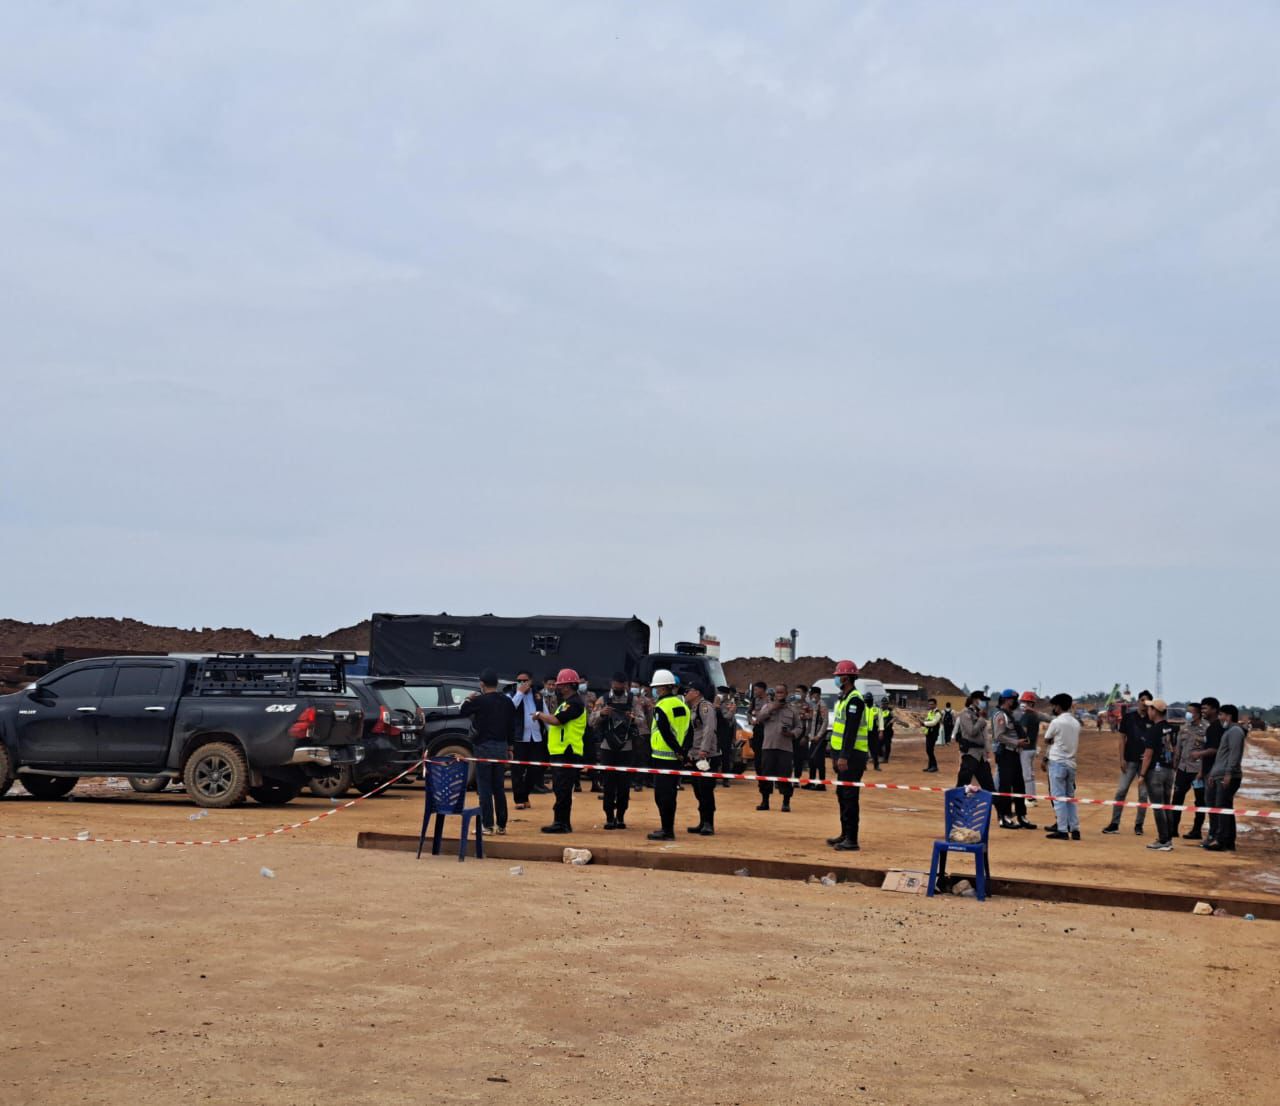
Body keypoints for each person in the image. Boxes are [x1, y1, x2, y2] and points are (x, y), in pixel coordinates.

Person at [460, 669, 518, 835]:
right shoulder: (507, 702)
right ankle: (502, 825)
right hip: (501, 747)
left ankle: (487, 825)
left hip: (483, 747)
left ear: (482, 684)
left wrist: (468, 698)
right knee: (499, 787)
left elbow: (463, 711)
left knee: (485, 787)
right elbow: (511, 727)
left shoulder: (480, 701)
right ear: (497, 683)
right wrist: (510, 748)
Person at [533, 668, 587, 834]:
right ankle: (562, 822)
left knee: (563, 788)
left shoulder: (574, 704)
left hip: (567, 751)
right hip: (561, 751)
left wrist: (539, 714)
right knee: (560, 788)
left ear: (567, 686)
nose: (557, 687)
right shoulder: (567, 703)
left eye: (560, 684)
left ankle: (561, 823)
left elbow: (556, 721)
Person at [825, 660, 869, 851]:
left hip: (853, 756)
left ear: (845, 677)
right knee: (842, 794)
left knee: (850, 796)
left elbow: (850, 732)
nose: (835, 679)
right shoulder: (844, 698)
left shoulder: (855, 700)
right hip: (843, 756)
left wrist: (843, 757)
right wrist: (836, 755)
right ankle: (845, 834)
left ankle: (852, 839)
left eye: (837, 676)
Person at [647, 670, 691, 841]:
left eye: (657, 688)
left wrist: (677, 751)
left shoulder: (661, 707)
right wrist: (683, 753)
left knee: (662, 796)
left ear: (663, 688)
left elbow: (666, 733)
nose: (656, 691)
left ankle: (667, 830)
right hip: (676, 759)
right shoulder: (683, 706)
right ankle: (667, 828)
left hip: (663, 758)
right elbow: (689, 732)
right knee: (670, 795)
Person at [1102, 691, 1152, 836]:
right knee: (1121, 791)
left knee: (1143, 795)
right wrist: (1121, 759)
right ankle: (1114, 823)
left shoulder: (1152, 719)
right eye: (1142, 700)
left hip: (1145, 764)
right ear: (1138, 701)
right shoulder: (1128, 718)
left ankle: (1138, 825)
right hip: (1129, 760)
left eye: (1147, 701)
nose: (1144, 703)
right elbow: (1121, 739)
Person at [591, 672, 636, 831]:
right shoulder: (603, 700)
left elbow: (644, 723)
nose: (618, 687)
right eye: (616, 684)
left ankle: (621, 815)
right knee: (608, 784)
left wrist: (634, 718)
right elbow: (591, 721)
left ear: (625, 684)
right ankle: (609, 816)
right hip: (607, 747)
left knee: (624, 785)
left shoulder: (633, 700)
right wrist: (601, 714)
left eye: (621, 685)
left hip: (626, 746)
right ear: (612, 683)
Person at [753, 683, 801, 812]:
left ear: (786, 694)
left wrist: (792, 733)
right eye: (777, 692)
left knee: (785, 775)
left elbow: (799, 727)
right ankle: (765, 801)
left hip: (785, 748)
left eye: (782, 692)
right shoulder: (767, 706)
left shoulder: (792, 710)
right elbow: (759, 719)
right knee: (765, 775)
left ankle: (786, 802)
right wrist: (772, 708)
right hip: (768, 747)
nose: (779, 695)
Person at [1138, 699, 1179, 852]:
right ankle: (1168, 838)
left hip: (1155, 772)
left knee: (1158, 806)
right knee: (1166, 805)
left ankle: (1163, 840)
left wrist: (1142, 774)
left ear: (1155, 711)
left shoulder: (1153, 730)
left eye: (1150, 709)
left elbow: (1148, 754)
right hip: (1169, 771)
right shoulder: (1172, 729)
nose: (1148, 711)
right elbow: (1175, 750)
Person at [1203, 705, 1245, 852]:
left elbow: (1234, 755)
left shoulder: (1235, 731)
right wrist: (1213, 774)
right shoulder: (1229, 731)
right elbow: (1222, 757)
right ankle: (1227, 841)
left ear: (1229, 716)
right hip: (1219, 775)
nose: (1220, 718)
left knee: (1223, 808)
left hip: (1228, 776)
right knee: (1224, 808)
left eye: (1221, 715)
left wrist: (1228, 774)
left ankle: (1222, 841)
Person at [992, 689, 1035, 830]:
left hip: (1015, 754)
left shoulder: (1011, 716)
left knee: (1019, 786)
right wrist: (1017, 742)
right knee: (1005, 787)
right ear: (1006, 700)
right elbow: (999, 736)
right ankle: (1004, 817)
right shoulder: (1000, 715)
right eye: (1013, 699)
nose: (1015, 702)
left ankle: (1022, 816)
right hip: (1005, 754)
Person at [1041, 693, 1081, 840]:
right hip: (1071, 763)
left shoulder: (1056, 722)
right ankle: (1075, 829)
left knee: (1058, 798)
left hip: (1057, 762)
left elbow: (1046, 739)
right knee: (1070, 798)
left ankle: (1062, 829)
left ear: (1058, 706)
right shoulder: (1076, 723)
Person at [509, 669, 549, 808]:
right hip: (520, 739)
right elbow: (510, 708)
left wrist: (550, 733)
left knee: (535, 769)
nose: (522, 683)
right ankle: (519, 800)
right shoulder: (513, 695)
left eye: (525, 681)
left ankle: (525, 794)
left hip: (536, 738)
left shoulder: (538, 695)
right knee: (518, 771)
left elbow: (545, 714)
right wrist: (520, 693)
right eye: (519, 681)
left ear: (531, 681)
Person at [1185, 697, 1223, 839]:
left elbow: (1214, 749)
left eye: (1205, 708)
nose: (1203, 711)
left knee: (1214, 806)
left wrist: (1198, 753)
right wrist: (1201, 771)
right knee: (1210, 805)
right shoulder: (1211, 727)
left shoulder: (1214, 728)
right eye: (1201, 709)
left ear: (1214, 709)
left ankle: (1215, 836)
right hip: (1207, 771)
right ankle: (1214, 835)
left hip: (1214, 772)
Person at [685, 685, 720, 835]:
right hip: (696, 754)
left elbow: (709, 728)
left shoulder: (705, 707)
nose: (685, 693)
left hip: (707, 755)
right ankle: (702, 821)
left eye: (688, 691)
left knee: (706, 789)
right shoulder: (693, 708)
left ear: (697, 692)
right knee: (698, 790)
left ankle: (708, 823)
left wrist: (704, 750)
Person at [1170, 702, 1207, 839]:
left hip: (1197, 771)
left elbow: (1207, 751)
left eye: (1191, 712)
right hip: (1183, 768)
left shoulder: (1206, 728)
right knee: (1177, 798)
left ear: (1198, 714)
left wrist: (1202, 771)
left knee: (1200, 801)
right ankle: (1173, 828)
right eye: (1188, 711)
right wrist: (1175, 760)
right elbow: (1178, 746)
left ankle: (1196, 831)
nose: (1188, 714)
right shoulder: (1184, 728)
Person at [955, 690, 995, 792]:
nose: (984, 704)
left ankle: (1001, 808)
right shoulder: (965, 714)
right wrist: (981, 719)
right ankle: (957, 806)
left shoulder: (977, 714)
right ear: (974, 700)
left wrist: (987, 750)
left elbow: (984, 736)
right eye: (982, 701)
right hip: (970, 754)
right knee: (962, 786)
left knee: (989, 787)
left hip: (981, 756)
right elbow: (972, 731)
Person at [1015, 691, 1048, 803]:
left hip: (1025, 749)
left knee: (1026, 775)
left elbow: (1023, 732)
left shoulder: (1026, 716)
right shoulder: (1035, 716)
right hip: (1033, 748)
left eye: (1024, 702)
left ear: (1029, 703)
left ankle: (1029, 799)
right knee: (1031, 774)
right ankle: (1033, 797)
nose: (1023, 704)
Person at [802, 686, 829, 789]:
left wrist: (818, 735)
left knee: (819, 761)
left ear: (816, 695)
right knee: (812, 760)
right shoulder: (815, 705)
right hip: (813, 738)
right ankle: (811, 782)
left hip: (819, 739)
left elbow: (825, 722)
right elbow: (813, 720)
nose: (809, 696)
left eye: (811, 694)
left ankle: (822, 784)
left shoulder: (822, 705)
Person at [631, 684, 654, 792]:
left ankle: (639, 782)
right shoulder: (629, 698)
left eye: (635, 686)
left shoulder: (646, 701)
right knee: (632, 758)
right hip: (630, 733)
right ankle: (632, 781)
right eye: (632, 685)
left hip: (643, 732)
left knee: (642, 758)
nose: (633, 688)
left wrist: (650, 731)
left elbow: (650, 718)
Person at [715, 687, 738, 787]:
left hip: (725, 733)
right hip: (715, 732)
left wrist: (733, 736)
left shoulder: (729, 704)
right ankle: (713, 777)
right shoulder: (714, 703)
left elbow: (729, 718)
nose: (719, 695)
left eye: (721, 693)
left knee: (726, 757)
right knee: (714, 756)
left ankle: (726, 779)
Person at [748, 681, 769, 771]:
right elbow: (749, 713)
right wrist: (750, 720)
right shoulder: (754, 700)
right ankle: (759, 771)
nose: (755, 691)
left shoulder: (770, 700)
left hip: (767, 729)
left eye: (756, 689)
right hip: (757, 728)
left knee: (766, 751)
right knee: (757, 750)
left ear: (762, 690)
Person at [921, 698, 942, 773]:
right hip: (929, 733)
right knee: (928, 750)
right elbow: (927, 720)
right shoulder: (930, 712)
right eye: (929, 704)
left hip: (934, 734)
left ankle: (934, 766)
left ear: (935, 704)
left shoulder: (938, 713)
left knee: (930, 750)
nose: (930, 705)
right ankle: (930, 766)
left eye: (932, 704)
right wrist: (923, 726)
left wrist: (924, 723)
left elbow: (934, 723)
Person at [879, 697, 896, 763]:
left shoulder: (890, 712)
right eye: (883, 704)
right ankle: (881, 756)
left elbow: (894, 718)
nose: (884, 705)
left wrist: (892, 721)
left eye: (885, 704)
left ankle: (886, 759)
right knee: (878, 745)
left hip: (888, 731)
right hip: (880, 731)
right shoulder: (879, 711)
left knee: (887, 745)